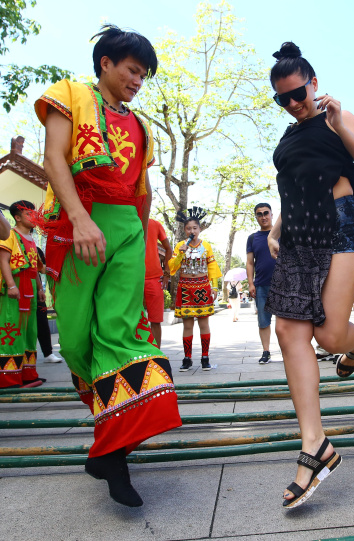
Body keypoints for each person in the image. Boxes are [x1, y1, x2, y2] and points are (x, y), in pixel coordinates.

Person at [35, 25, 181, 506]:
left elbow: (143, 190)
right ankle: (109, 446)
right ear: (106, 64)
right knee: (77, 340)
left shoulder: (140, 126)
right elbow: (53, 158)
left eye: (143, 74)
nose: (138, 80)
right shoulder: (71, 95)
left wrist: (141, 249)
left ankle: (112, 455)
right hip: (79, 222)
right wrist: (79, 219)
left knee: (119, 333)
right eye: (132, 70)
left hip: (127, 231)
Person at [264, 42, 354, 508]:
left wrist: (336, 124)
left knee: (331, 337)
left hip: (340, 227)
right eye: (283, 99)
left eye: (298, 93)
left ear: (313, 83)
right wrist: (276, 228)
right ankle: (314, 444)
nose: (293, 104)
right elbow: (294, 185)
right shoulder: (288, 137)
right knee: (289, 329)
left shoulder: (339, 118)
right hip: (297, 237)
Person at [169, 207, 222, 372]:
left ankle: (205, 357)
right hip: (185, 287)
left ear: (199, 229)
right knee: (187, 325)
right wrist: (180, 254)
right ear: (184, 230)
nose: (192, 231)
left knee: (204, 323)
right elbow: (172, 267)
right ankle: (187, 358)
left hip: (202, 286)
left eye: (194, 228)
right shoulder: (180, 245)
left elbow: (212, 266)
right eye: (188, 228)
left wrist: (214, 286)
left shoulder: (206, 246)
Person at [0, 201, 46, 388]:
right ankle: (9, 378)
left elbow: (33, 267)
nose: (33, 217)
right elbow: (3, 261)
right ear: (17, 217)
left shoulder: (31, 239)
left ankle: (28, 375)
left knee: (29, 330)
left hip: (30, 287)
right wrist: (11, 285)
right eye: (28, 214)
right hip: (15, 286)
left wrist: (40, 289)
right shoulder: (9, 234)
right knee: (11, 328)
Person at [246, 202, 277, 364]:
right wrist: (251, 283)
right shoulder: (252, 238)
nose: (263, 216)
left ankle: (289, 350)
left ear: (272, 214)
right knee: (263, 321)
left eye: (266, 213)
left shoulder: (281, 233)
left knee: (287, 320)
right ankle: (266, 351)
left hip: (283, 284)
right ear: (256, 217)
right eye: (260, 214)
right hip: (261, 285)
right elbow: (250, 263)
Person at [143, 218, 172, 347]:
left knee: (155, 321)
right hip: (131, 277)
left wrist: (167, 272)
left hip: (154, 278)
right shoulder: (127, 219)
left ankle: (156, 356)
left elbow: (168, 249)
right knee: (131, 320)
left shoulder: (155, 224)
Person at [35, 247, 63, 363]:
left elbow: (41, 269)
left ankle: (48, 353)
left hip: (35, 290)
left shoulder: (35, 249)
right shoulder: (11, 242)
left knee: (42, 322)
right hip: (16, 289)